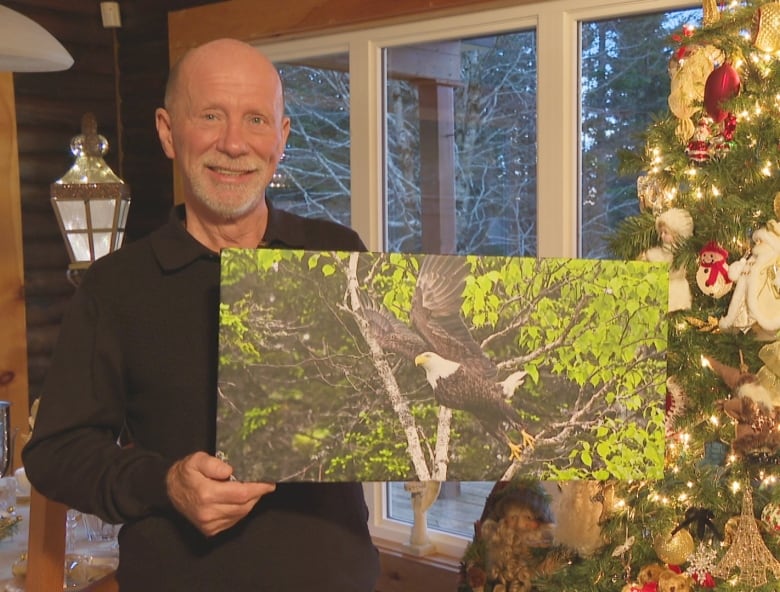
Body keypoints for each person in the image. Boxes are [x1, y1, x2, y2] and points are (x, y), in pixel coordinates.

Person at [22, 38, 380, 591]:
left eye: (256, 119)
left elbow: (383, 398)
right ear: (168, 132)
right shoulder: (116, 287)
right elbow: (53, 453)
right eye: (210, 116)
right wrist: (164, 482)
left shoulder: (337, 254)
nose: (234, 143)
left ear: (281, 139)